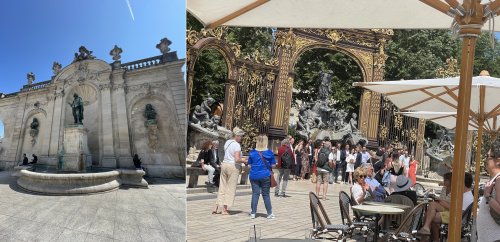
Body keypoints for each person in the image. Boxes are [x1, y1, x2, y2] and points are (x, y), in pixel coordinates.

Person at [418, 172, 474, 238]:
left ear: (463, 183)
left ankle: (428, 236)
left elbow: (459, 213)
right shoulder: (465, 194)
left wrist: (444, 204)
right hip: (454, 214)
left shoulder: (467, 196)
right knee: (432, 206)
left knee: (430, 215)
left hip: (456, 218)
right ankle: (426, 229)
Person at [213, 127, 247, 215]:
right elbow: (237, 159)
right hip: (233, 167)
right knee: (230, 188)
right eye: (240, 136)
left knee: (222, 186)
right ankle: (224, 209)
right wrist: (245, 160)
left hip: (224, 165)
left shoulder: (227, 142)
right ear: (236, 135)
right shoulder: (236, 145)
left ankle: (216, 206)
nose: (241, 138)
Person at [248, 135, 276, 219]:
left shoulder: (252, 152)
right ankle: (269, 213)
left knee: (255, 194)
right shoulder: (269, 152)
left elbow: (249, 165)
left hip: (254, 175)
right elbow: (273, 165)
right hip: (265, 175)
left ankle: (253, 213)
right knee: (266, 195)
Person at [477, 139, 500, 242]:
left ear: (498, 160)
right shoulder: (495, 179)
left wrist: (487, 194)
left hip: (494, 237)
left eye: (488, 157)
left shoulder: (499, 180)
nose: (485, 160)